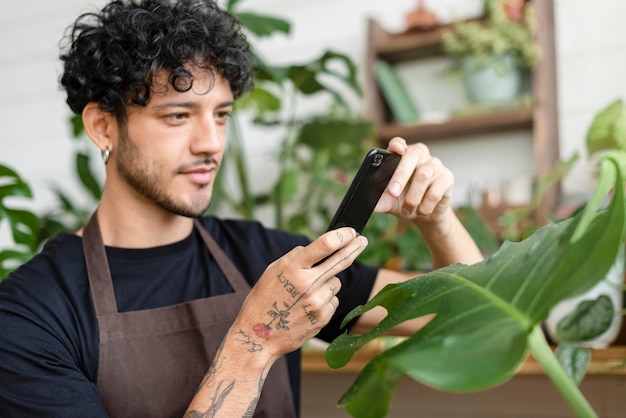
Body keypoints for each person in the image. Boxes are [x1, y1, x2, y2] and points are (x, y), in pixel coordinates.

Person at [0, 0, 483, 417]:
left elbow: (472, 316)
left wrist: (436, 219)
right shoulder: (33, 313)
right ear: (104, 127)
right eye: (177, 116)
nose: (210, 143)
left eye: (221, 115)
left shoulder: (265, 257)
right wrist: (253, 346)